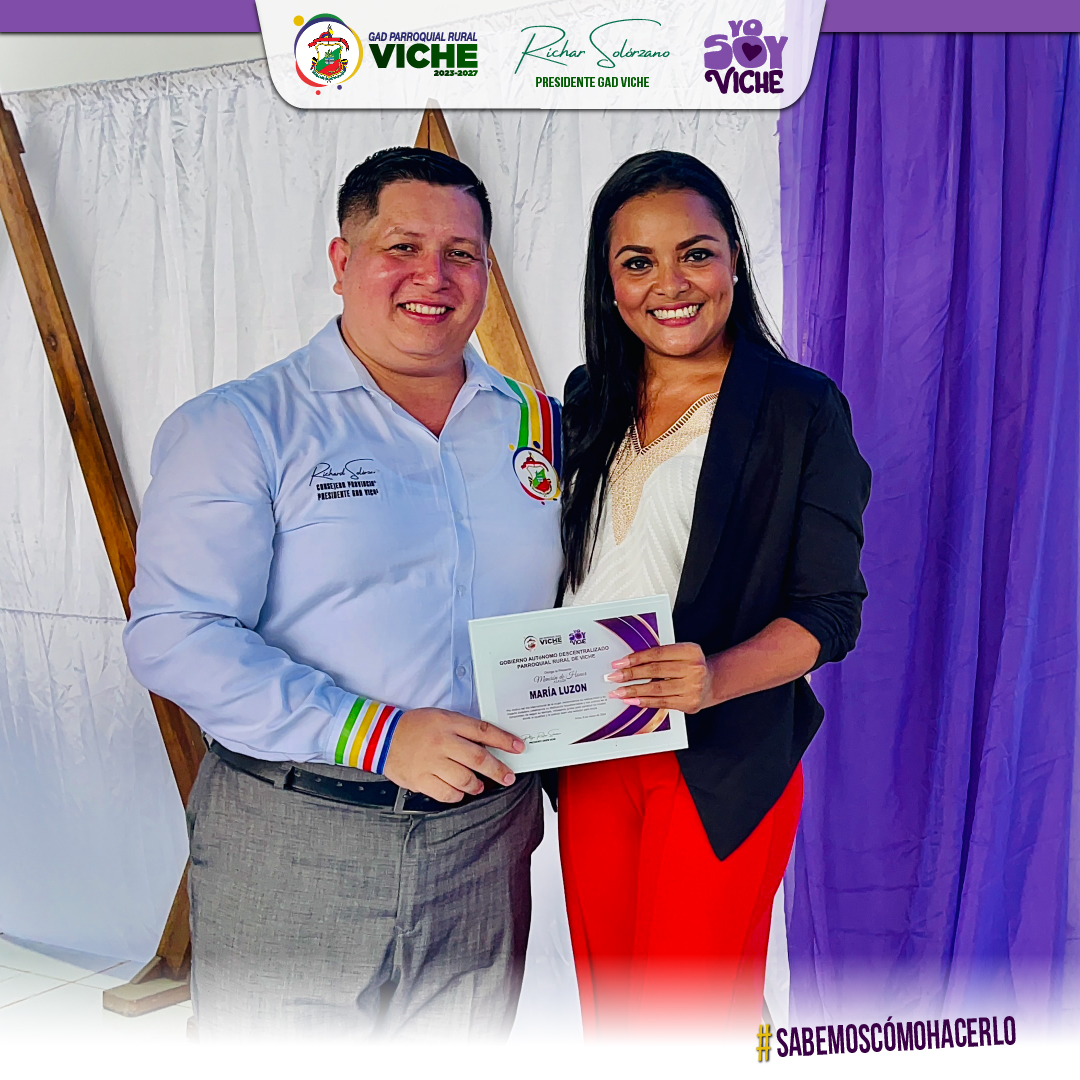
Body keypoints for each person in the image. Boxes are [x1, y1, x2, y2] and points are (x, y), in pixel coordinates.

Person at [123, 148, 564, 1038]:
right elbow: (174, 633)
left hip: (486, 843)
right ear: (341, 260)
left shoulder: (537, 423)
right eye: (402, 247)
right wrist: (379, 734)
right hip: (301, 832)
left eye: (462, 253)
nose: (433, 276)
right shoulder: (244, 425)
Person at [557, 150, 871, 1035]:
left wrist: (717, 677)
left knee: (691, 1024)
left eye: (695, 253)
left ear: (733, 254)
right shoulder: (587, 399)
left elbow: (831, 610)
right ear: (609, 281)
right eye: (638, 262)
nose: (670, 285)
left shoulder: (800, 407)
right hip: (590, 748)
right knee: (611, 1019)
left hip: (722, 756)